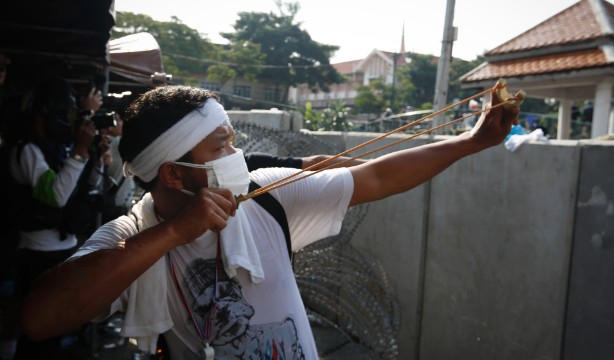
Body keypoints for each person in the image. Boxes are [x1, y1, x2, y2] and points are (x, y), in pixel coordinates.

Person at [19, 84, 519, 359]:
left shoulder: (265, 196)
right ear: (173, 174)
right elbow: (38, 321)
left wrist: (470, 143)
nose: (237, 156)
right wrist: (172, 234)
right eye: (221, 148)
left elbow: (379, 179)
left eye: (232, 141)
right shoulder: (129, 238)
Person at [5, 76, 108, 360]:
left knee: (55, 331)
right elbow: (57, 196)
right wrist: (79, 152)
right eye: (64, 111)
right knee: (38, 335)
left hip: (63, 248)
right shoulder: (27, 150)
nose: (67, 119)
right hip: (38, 255)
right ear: (46, 109)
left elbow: (84, 188)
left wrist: (94, 159)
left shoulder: (55, 148)